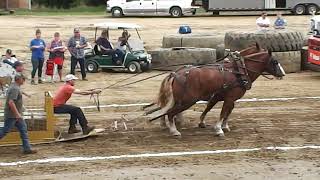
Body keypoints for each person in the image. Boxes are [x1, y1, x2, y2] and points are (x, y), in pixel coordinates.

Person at [0, 74, 37, 154]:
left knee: (23, 130)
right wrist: (17, 114)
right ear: (19, 80)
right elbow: (11, 102)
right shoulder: (15, 89)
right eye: (23, 79)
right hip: (12, 115)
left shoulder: (14, 86)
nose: (24, 81)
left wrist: (26, 94)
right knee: (4, 131)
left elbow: (19, 91)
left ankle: (27, 148)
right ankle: (27, 148)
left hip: (16, 114)